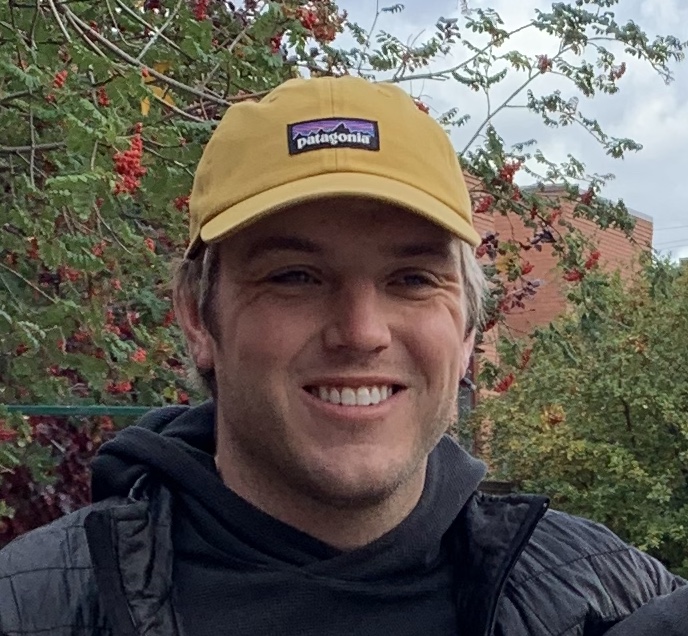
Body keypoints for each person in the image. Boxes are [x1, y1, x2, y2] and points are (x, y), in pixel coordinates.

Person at [0, 75, 683, 636]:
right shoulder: (33, 607)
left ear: (467, 330)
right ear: (197, 316)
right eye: (295, 276)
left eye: (412, 279)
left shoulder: (616, 602)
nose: (361, 332)